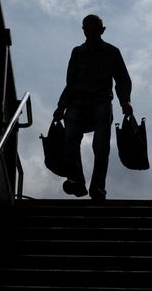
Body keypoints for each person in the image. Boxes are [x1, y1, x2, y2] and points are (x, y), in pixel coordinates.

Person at [53, 14, 132, 201]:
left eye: (95, 30)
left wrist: (125, 101)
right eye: (88, 30)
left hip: (101, 102)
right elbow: (70, 83)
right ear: (84, 30)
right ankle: (77, 181)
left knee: (101, 145)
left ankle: (97, 187)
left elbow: (122, 79)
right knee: (70, 139)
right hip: (77, 103)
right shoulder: (77, 52)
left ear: (102, 31)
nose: (91, 34)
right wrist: (61, 105)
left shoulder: (112, 52)